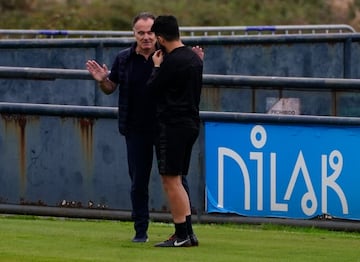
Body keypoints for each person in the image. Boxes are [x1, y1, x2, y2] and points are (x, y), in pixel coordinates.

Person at [86, 12, 202, 244]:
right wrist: (102, 81)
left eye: (150, 32)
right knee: (139, 181)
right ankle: (141, 231)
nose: (147, 37)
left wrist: (190, 63)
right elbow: (111, 87)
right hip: (136, 128)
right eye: (141, 33)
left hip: (167, 127)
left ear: (158, 35)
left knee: (176, 179)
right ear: (134, 34)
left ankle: (184, 231)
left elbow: (164, 85)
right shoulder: (124, 58)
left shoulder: (170, 57)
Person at [147, 15, 203, 247]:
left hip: (172, 125)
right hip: (190, 123)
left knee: (171, 180)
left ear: (160, 38)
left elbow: (152, 90)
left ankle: (181, 234)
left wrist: (157, 68)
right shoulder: (194, 58)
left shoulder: (170, 62)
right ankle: (188, 233)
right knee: (178, 179)